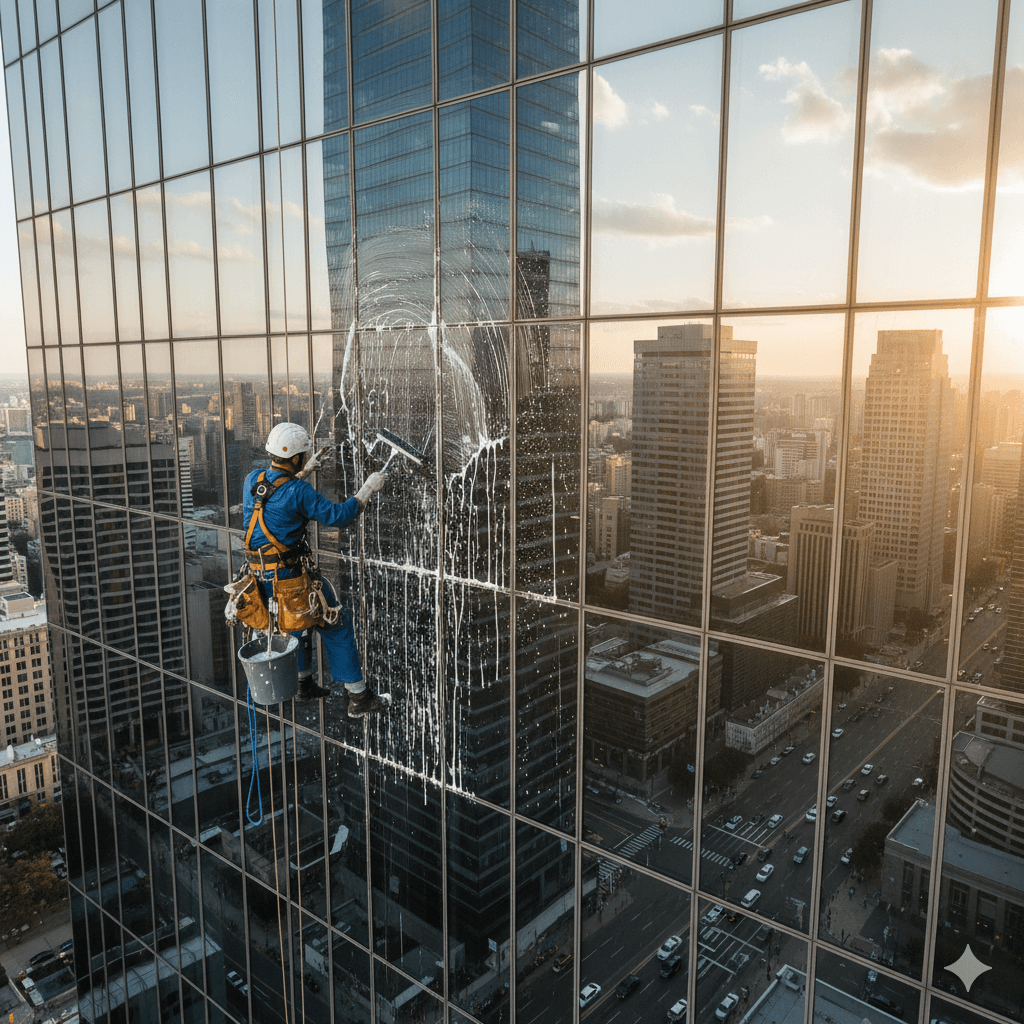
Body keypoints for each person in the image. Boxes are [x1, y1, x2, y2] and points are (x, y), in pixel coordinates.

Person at [242, 421, 388, 716]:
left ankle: (303, 682)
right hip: (289, 579)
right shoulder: (299, 492)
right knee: (335, 624)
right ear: (295, 458)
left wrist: (305, 468)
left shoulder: (252, 479)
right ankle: (359, 697)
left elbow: (274, 492)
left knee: (293, 624)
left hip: (258, 578)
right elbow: (340, 516)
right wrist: (368, 488)